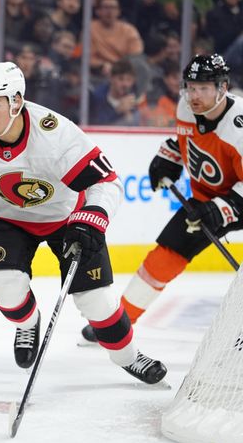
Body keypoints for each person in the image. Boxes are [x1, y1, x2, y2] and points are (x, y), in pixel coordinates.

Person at [0, 61, 167, 385]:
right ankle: (28, 325)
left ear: (16, 101)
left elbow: (106, 181)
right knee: (4, 287)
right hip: (7, 220)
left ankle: (129, 357)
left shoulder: (54, 135)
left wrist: (92, 219)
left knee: (96, 301)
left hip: (66, 219)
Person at [82, 54, 243, 342]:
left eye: (204, 88)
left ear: (222, 88)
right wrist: (169, 157)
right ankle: (119, 323)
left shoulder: (239, 127)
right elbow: (186, 141)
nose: (195, 95)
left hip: (234, 199)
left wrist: (220, 209)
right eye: (191, 87)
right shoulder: (186, 107)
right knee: (167, 253)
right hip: (206, 199)